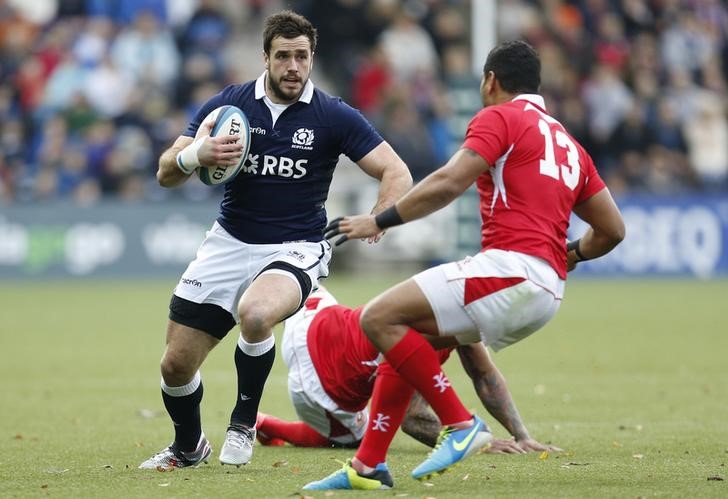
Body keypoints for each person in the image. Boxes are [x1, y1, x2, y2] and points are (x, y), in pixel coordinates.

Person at [305, 40, 625, 490]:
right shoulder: (569, 143)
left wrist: (378, 219)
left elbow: (449, 181)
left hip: (512, 270)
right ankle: (367, 466)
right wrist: (568, 255)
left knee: (379, 317)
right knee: (406, 338)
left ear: (491, 81)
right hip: (545, 287)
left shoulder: (500, 116)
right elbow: (612, 230)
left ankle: (459, 423)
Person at [139, 10, 412, 470]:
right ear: (265, 57)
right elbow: (165, 171)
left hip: (296, 247)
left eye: (301, 57)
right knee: (175, 365)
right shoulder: (229, 106)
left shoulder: (333, 115)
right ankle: (188, 447)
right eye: (283, 56)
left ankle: (243, 424)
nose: (293, 66)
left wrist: (377, 218)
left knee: (257, 312)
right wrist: (194, 155)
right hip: (229, 242)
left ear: (312, 58)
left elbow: (396, 170)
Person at [256, 286, 560, 455]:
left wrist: (521, 435)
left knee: (290, 271)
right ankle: (264, 423)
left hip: (316, 312)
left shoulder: (451, 304)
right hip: (315, 377)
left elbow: (485, 376)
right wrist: (482, 445)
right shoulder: (417, 341)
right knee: (352, 439)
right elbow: (412, 420)